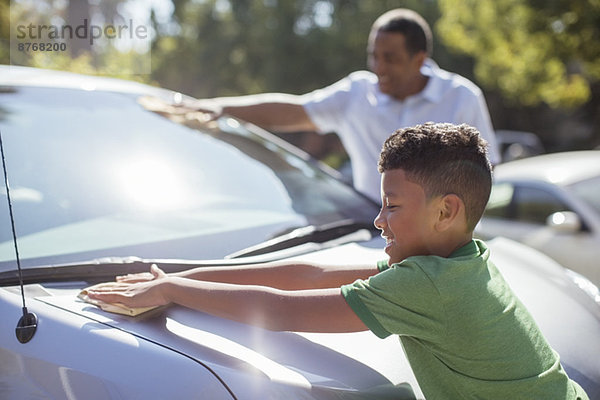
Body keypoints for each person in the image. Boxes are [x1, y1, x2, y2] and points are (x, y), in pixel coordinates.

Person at [89, 123, 587, 400]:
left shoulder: (426, 285)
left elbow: (281, 310)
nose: (378, 220)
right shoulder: (460, 263)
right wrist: (180, 275)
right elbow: (306, 274)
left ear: (446, 210)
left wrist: (172, 292)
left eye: (392, 205)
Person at [185, 8, 500, 202]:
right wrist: (219, 108)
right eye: (373, 55)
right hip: (368, 232)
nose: (379, 66)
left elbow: (484, 172)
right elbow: (292, 110)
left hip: (441, 244)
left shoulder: (461, 97)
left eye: (390, 58)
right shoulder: (355, 93)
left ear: (420, 59)